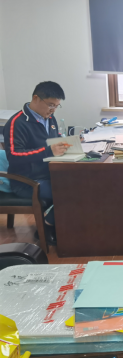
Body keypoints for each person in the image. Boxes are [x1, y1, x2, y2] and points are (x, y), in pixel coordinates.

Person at [4, 81, 70, 245]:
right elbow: (14, 155)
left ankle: (63, 225)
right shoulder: (17, 123)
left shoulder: (50, 119)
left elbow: (52, 142)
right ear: (36, 98)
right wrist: (48, 151)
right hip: (27, 181)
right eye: (50, 105)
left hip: (49, 174)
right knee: (69, 191)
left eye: (56, 106)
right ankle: (47, 226)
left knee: (81, 183)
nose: (53, 110)